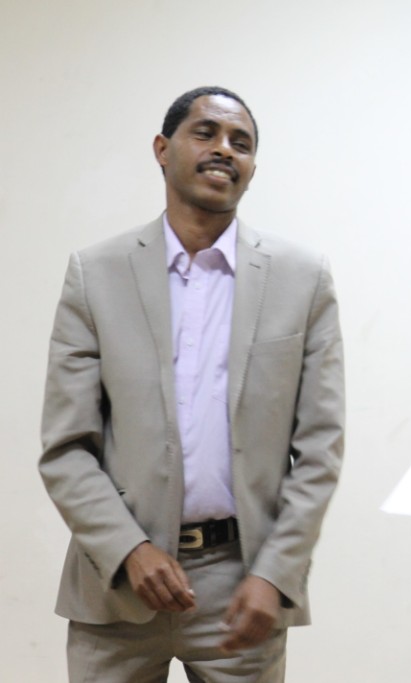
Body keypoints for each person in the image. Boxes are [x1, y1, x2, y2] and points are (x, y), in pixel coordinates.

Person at [39, 86, 345, 682]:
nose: (224, 149)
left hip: (244, 586)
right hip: (116, 585)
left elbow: (320, 450)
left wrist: (275, 573)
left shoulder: (302, 279)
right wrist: (128, 549)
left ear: (252, 167)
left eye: (241, 142)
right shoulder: (95, 275)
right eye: (205, 133)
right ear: (163, 149)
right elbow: (66, 448)